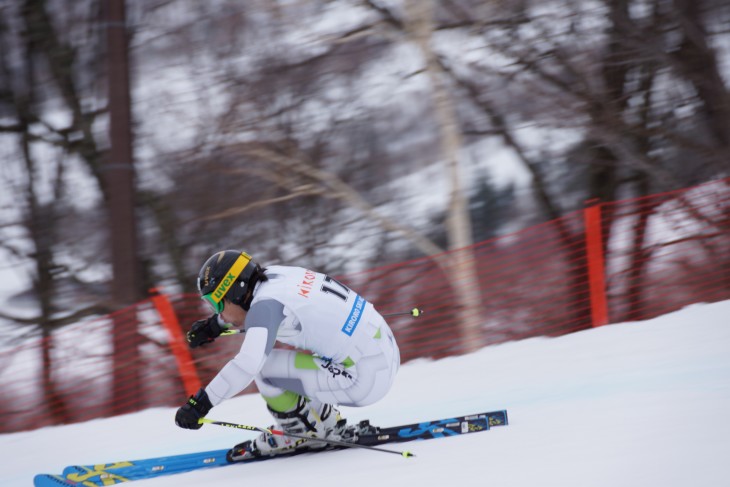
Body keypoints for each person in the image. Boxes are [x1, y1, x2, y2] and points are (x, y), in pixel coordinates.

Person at [174, 250, 400, 459]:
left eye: (216, 304)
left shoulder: (264, 307)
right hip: (382, 353)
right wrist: (216, 325)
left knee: (264, 369)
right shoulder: (275, 276)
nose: (217, 311)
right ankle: (324, 421)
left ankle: (299, 433)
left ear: (234, 290)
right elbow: (255, 312)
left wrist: (201, 404)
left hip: (366, 381)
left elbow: (246, 365)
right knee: (281, 364)